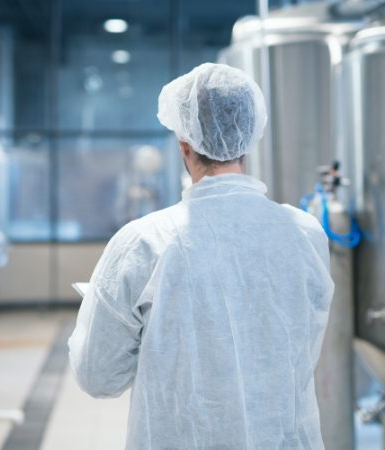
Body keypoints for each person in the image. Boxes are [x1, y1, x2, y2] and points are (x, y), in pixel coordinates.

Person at [68, 63, 334, 449]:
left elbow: (98, 375)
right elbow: (297, 349)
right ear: (250, 135)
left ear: (184, 144)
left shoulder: (143, 243)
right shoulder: (305, 233)